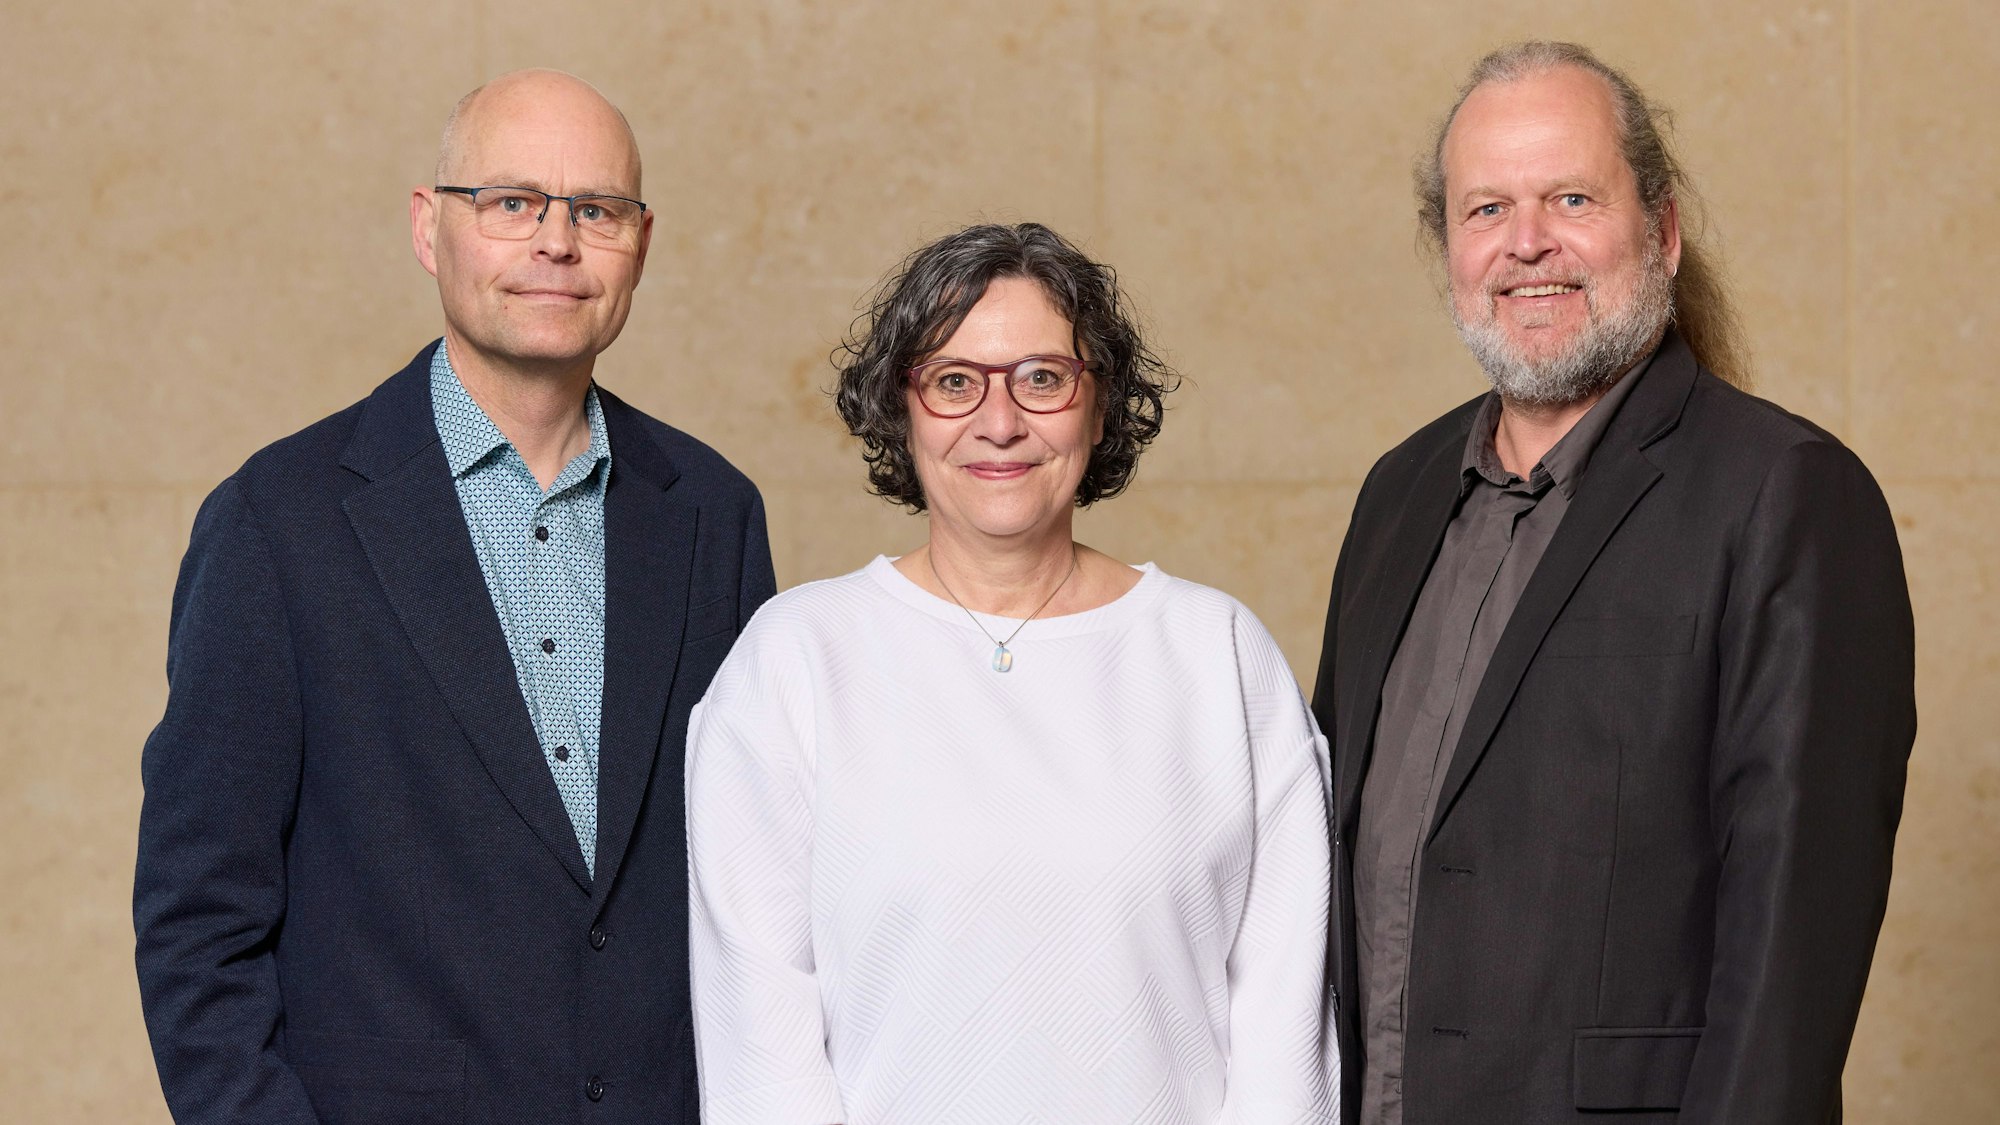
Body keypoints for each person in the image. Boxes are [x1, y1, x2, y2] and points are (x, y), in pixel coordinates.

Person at [133, 69, 774, 1124]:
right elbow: (197, 921)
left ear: (640, 247)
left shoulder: (713, 512)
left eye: (596, 211)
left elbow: (753, 890)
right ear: (431, 229)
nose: (555, 244)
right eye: (512, 203)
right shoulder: (277, 520)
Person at [1311, 41, 1915, 1125]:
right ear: (1445, 246)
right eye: (1483, 209)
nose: (1524, 243)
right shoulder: (1395, 497)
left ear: (1662, 229)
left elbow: (1793, 943)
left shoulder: (1785, 496)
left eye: (1570, 197)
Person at [686, 222, 1338, 1124]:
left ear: (1099, 406)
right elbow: (762, 1056)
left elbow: (1283, 1038)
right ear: (900, 407)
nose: (1001, 422)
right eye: (955, 382)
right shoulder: (794, 662)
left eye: (1043, 378)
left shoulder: (1217, 656)